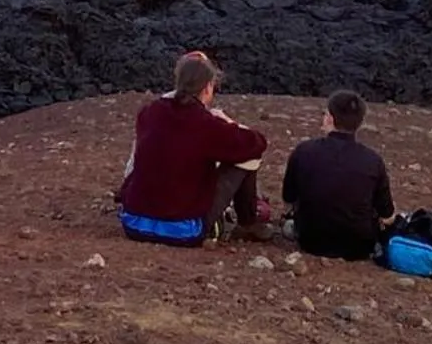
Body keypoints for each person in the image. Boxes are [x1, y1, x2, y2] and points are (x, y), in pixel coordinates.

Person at [118, 52, 270, 246]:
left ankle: (247, 222)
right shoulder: (206, 125)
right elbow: (256, 143)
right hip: (183, 230)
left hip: (134, 223)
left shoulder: (149, 113)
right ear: (207, 87)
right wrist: (229, 123)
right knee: (247, 158)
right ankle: (248, 223)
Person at [280, 89, 395, 260]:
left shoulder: (303, 151)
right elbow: (386, 214)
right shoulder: (373, 160)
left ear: (330, 119)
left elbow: (288, 198)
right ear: (360, 123)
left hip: (311, 241)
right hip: (359, 246)